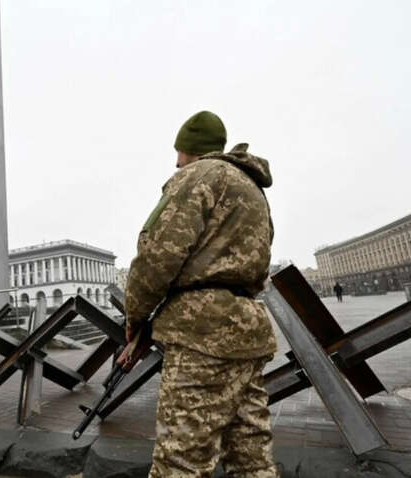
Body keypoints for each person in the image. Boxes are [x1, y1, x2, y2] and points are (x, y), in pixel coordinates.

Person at [124, 111, 277, 477]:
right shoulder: (253, 189)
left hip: (201, 334)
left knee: (180, 461)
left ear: (187, 149)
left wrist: (135, 317)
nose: (176, 162)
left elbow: (157, 255)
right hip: (248, 329)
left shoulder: (195, 177)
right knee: (251, 456)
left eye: (178, 153)